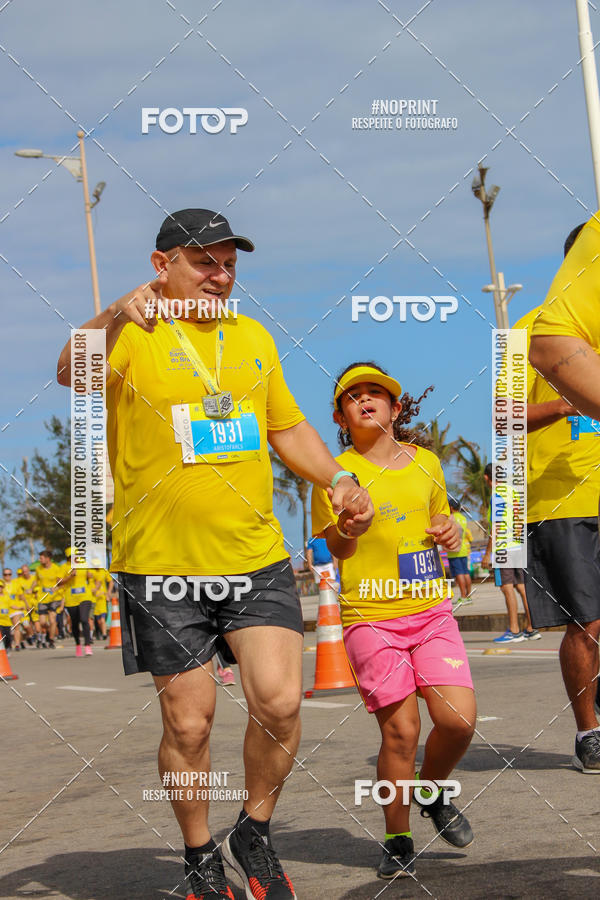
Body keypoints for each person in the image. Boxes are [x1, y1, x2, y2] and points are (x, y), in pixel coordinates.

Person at [57, 208, 374, 900]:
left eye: (229, 264)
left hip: (254, 556)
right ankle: (199, 852)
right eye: (205, 262)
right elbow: (70, 373)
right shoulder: (131, 334)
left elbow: (286, 428)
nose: (220, 276)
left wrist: (340, 479)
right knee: (189, 723)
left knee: (281, 703)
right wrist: (113, 315)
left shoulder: (253, 337)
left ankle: (253, 830)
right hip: (160, 563)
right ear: (161, 265)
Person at [311, 362, 475, 880]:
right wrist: (347, 529)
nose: (364, 400)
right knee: (402, 732)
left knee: (458, 720)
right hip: (370, 619)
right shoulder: (333, 475)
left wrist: (454, 534)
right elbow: (330, 549)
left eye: (375, 393)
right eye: (352, 395)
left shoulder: (427, 463)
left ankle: (431, 789)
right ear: (340, 417)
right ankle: (398, 837)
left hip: (430, 611)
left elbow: (443, 517)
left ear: (395, 407)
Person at [519, 222, 600, 772]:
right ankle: (588, 732)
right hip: (561, 501)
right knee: (587, 622)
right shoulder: (526, 331)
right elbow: (503, 416)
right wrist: (571, 400)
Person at [481, 465, 538, 643]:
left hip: (503, 548)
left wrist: (487, 554)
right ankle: (532, 628)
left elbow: (496, 526)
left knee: (507, 588)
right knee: (521, 587)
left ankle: (514, 631)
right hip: (517, 546)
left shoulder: (496, 495)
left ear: (486, 478)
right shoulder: (513, 492)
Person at [57, 548, 95, 656]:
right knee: (74, 622)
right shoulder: (64, 567)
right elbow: (58, 582)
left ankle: (87, 645)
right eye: (72, 556)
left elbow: (91, 577)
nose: (75, 558)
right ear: (68, 557)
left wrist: (90, 578)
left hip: (85, 596)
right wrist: (70, 576)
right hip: (71, 598)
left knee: (84, 619)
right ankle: (78, 645)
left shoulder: (84, 564)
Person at [34, 550, 62, 648]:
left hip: (54, 598)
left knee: (52, 619)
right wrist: (30, 588)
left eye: (41, 558)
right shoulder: (38, 569)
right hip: (42, 598)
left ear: (48, 559)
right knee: (42, 622)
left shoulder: (56, 568)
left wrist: (57, 588)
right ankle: (50, 632)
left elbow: (62, 583)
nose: (40, 560)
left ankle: (51, 640)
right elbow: (36, 581)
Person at [447, 498, 473, 606]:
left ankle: (463, 596)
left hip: (454, 550)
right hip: (464, 549)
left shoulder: (450, 518)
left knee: (459, 574)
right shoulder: (463, 518)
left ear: (451, 507)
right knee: (466, 573)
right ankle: (468, 596)